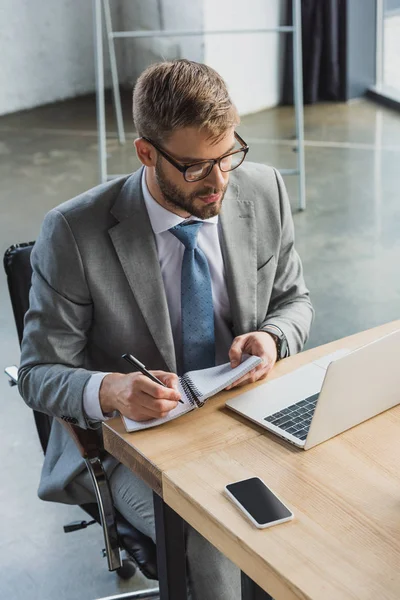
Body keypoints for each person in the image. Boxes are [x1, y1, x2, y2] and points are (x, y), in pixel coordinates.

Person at [19, 59, 314, 599]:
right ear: (147, 153)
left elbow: (294, 300)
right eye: (197, 168)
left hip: (243, 414)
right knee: (216, 538)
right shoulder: (74, 233)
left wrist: (272, 337)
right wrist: (109, 388)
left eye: (228, 155)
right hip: (133, 447)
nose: (220, 182)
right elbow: (36, 374)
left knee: (326, 512)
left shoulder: (263, 190)